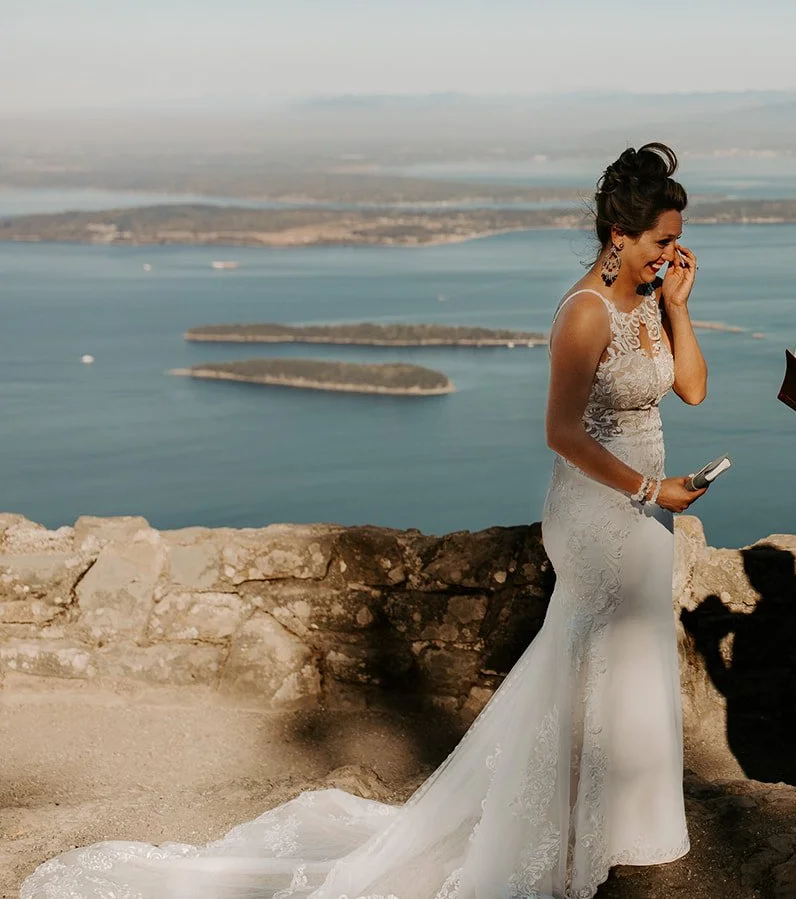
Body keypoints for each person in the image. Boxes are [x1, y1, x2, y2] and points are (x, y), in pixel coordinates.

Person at [22, 142, 709, 899]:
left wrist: (677, 306)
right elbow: (561, 432)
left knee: (633, 656)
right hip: (604, 508)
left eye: (674, 241)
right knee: (586, 660)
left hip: (648, 502)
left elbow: (694, 389)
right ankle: (562, 827)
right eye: (661, 243)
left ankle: (624, 821)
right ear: (620, 236)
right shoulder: (585, 313)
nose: (670, 254)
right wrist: (648, 488)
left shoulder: (649, 302)